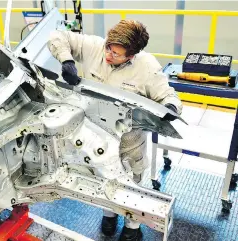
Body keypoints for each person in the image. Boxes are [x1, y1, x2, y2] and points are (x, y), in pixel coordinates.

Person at [48, 20, 182, 241]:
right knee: (102, 176)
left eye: (117, 54)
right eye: (109, 48)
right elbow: (57, 36)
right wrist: (66, 60)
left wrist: (169, 109)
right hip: (97, 136)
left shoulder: (147, 67)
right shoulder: (94, 47)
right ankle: (108, 214)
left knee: (133, 181)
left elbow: (169, 97)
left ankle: (132, 225)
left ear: (131, 56)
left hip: (129, 141)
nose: (109, 56)